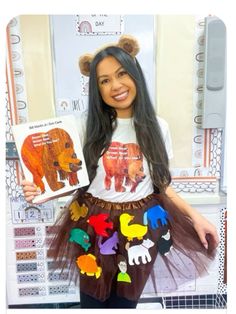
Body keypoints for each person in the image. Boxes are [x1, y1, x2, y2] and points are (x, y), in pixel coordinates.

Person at [22, 35, 219, 309]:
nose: (116, 86)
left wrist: (196, 217)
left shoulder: (157, 128)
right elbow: (73, 180)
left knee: (126, 302)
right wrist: (41, 190)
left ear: (135, 74)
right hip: (94, 225)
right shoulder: (83, 125)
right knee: (92, 300)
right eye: (104, 80)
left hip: (140, 227)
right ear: (97, 88)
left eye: (121, 74)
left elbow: (162, 185)